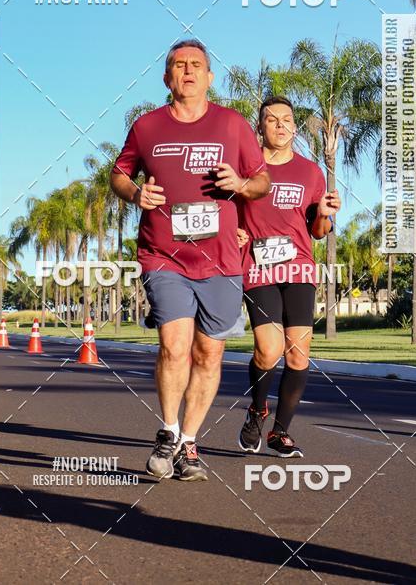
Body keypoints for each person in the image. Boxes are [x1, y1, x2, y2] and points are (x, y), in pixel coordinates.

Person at [111, 39, 270, 482]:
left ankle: (189, 443)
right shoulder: (147, 127)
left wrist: (240, 182)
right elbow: (119, 174)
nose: (187, 71)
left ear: (209, 77)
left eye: (196, 65)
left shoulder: (233, 125)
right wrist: (136, 193)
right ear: (167, 78)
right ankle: (167, 430)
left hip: (221, 261)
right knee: (175, 346)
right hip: (165, 255)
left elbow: (262, 181)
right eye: (178, 65)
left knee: (208, 355)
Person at [237, 97, 341, 457]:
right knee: (268, 351)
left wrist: (325, 213)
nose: (280, 125)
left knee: (298, 356)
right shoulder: (246, 170)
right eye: (271, 120)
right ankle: (256, 410)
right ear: (260, 128)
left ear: (295, 127)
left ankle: (280, 432)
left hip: (298, 267)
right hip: (257, 267)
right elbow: (229, 215)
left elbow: (317, 230)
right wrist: (234, 233)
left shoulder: (311, 172)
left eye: (287, 120)